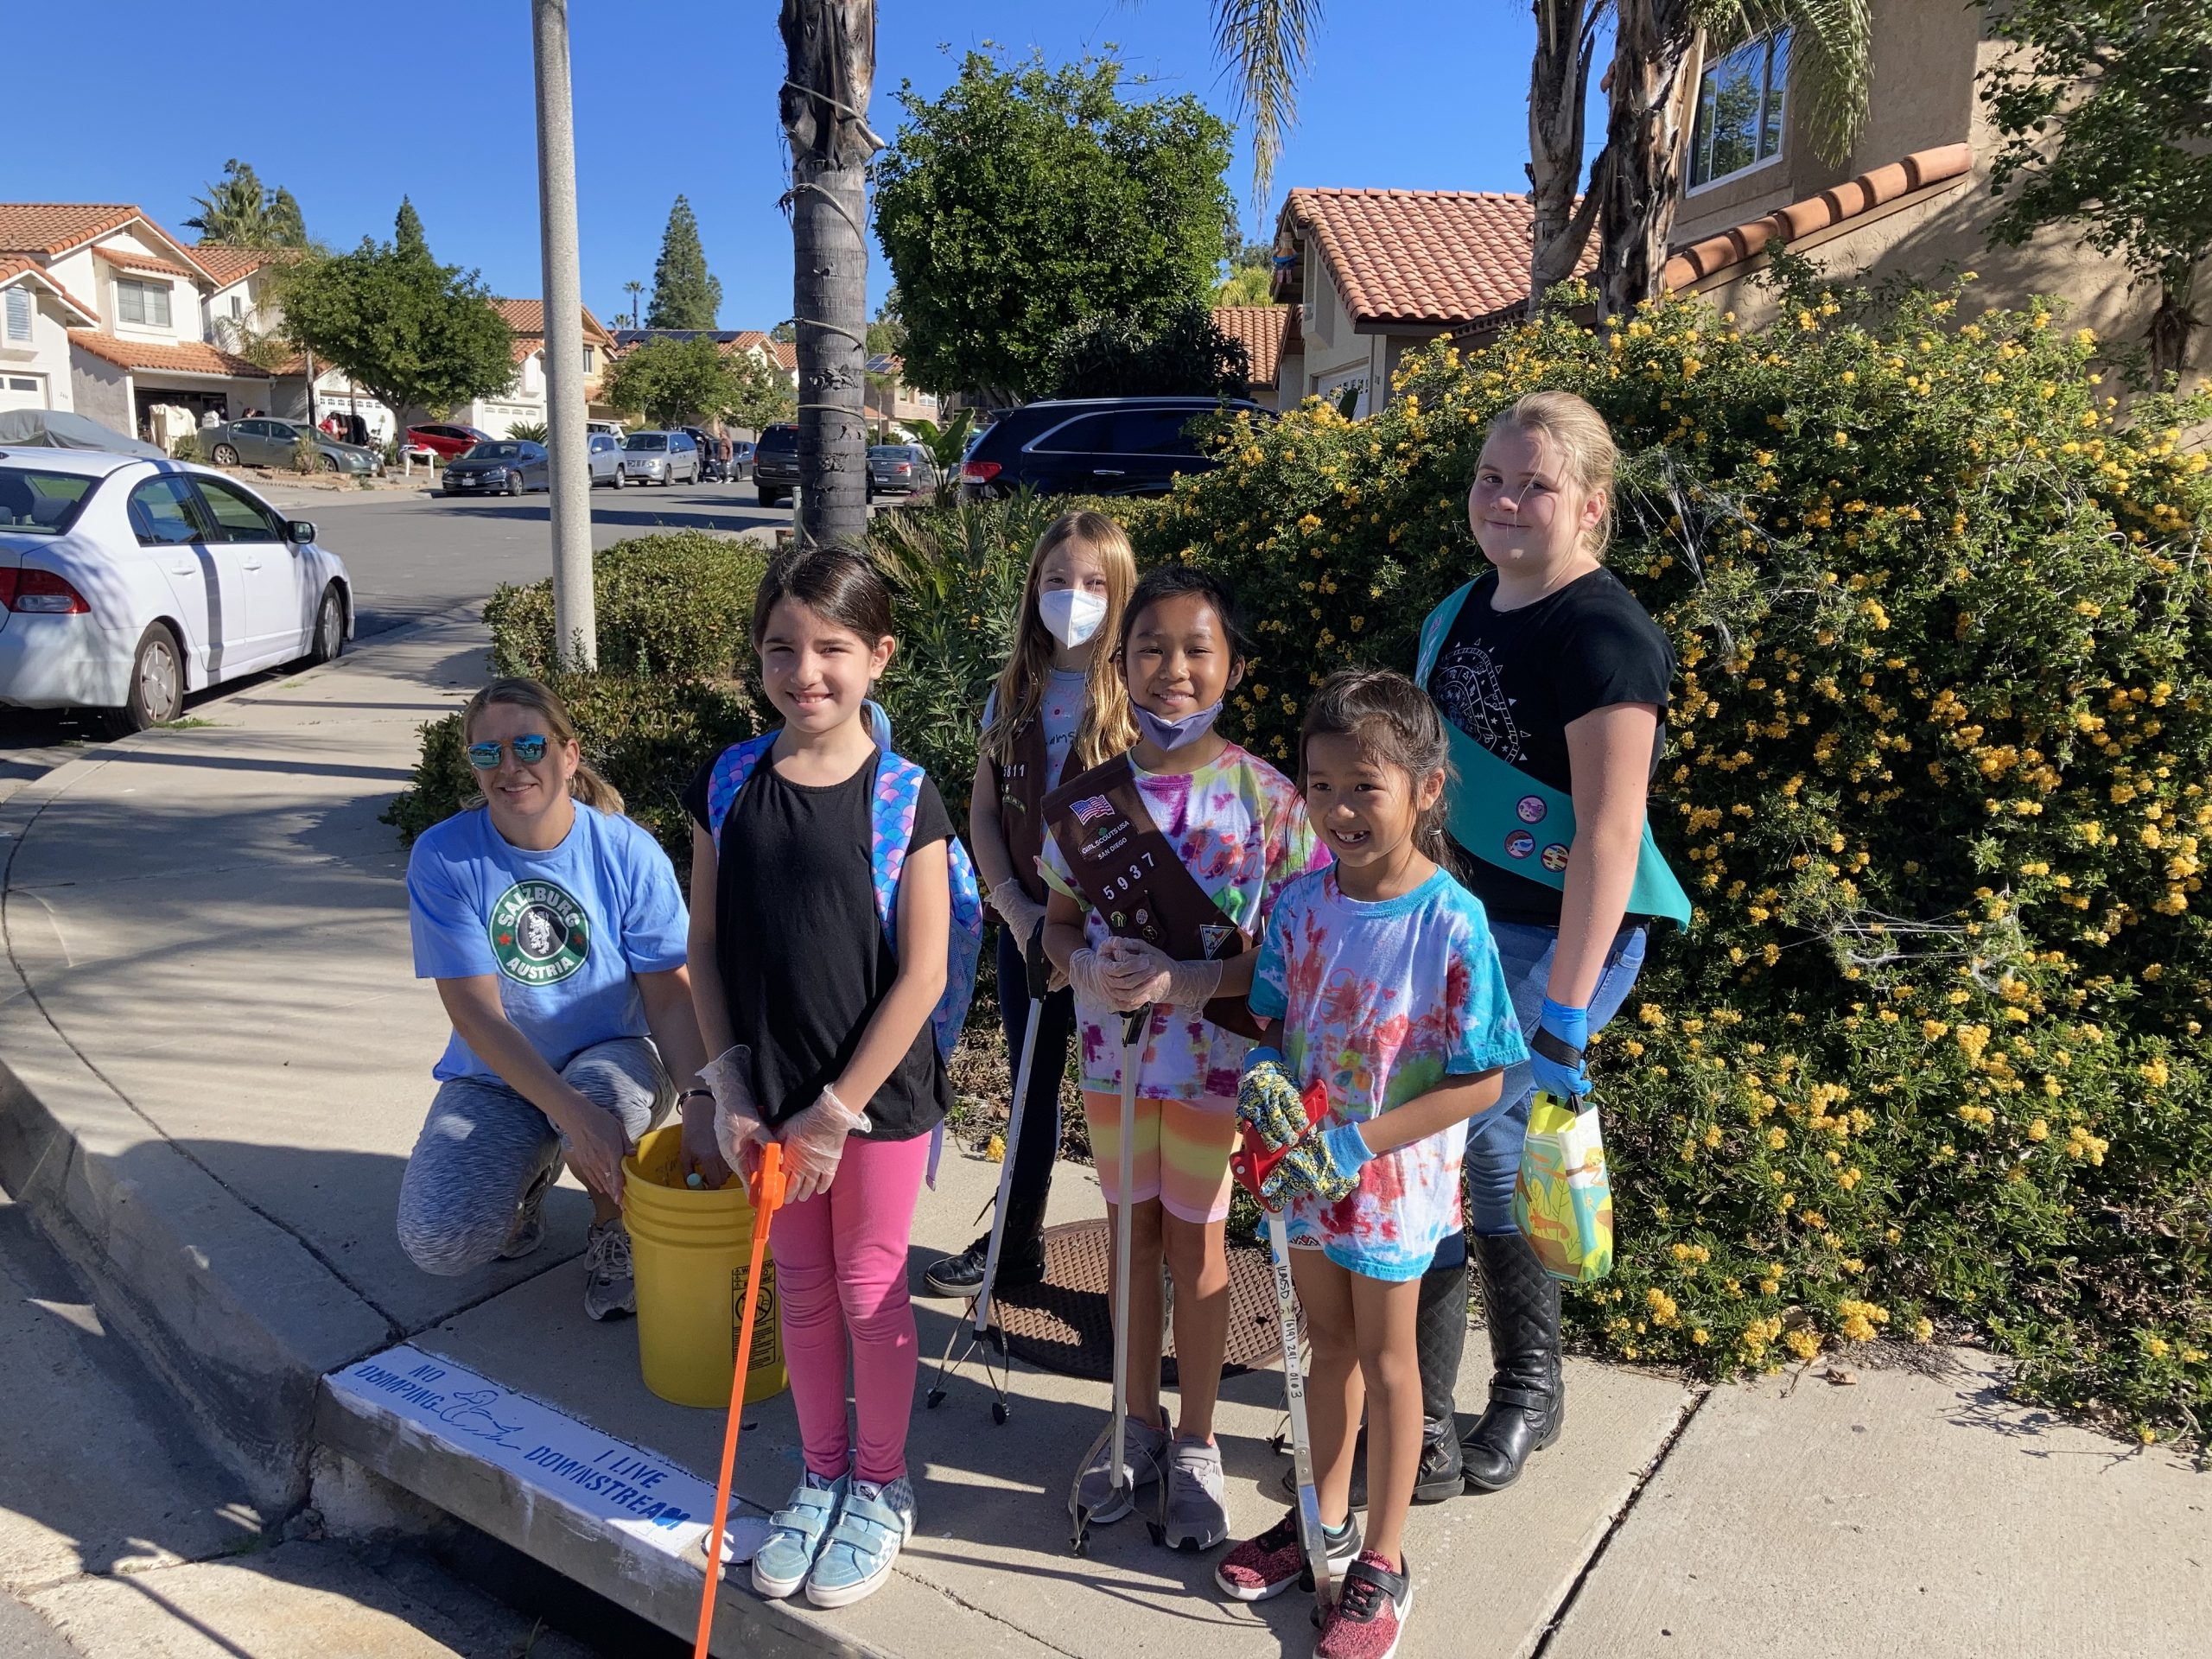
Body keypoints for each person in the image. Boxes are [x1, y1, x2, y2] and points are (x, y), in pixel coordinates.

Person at [1411, 390, 1689, 1497]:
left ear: (1590, 505)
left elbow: (1611, 834)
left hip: (1557, 937)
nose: (1505, 500)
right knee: (1456, 1151)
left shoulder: (1606, 637)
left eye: (1534, 484)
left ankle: (1499, 1396)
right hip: (1456, 927)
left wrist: (1566, 1011)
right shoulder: (1457, 612)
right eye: (1491, 478)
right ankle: (1465, 1393)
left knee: (1466, 1142)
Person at [1217, 669, 1527, 1656]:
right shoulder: (1301, 904)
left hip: (1390, 1187)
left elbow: (1482, 1080)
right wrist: (1264, 1085)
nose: (1340, 809)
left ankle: (1383, 1561)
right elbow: (1273, 1024)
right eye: (1321, 786)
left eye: (1365, 787)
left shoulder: (1451, 921)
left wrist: (1358, 1141)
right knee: (1327, 1344)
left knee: (1393, 1366)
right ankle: (1323, 1519)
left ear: (1426, 789)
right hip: (1305, 1178)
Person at [686, 546, 966, 1611]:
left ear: (878, 656)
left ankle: (882, 1484)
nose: (805, 671)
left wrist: (836, 1113)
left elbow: (924, 973)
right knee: (800, 1292)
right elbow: (704, 946)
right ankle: (821, 1472)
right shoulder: (728, 782)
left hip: (874, 1102)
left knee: (867, 1288)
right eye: (781, 648)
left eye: (832, 648)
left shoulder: (904, 797)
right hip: (767, 1095)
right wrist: (727, 1085)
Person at [1039, 565, 1326, 1552]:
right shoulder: (1088, 803)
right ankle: (1134, 1425)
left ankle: (1197, 1439)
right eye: (1150, 648)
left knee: (1199, 1246)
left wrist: (1196, 980)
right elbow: (1058, 924)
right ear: (1120, 666)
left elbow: (1298, 951)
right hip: (1114, 1061)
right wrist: (1082, 963)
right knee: (1130, 1240)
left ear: (1234, 667)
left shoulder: (1271, 801)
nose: (1173, 668)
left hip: (1216, 1067)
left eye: (1197, 648)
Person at [397, 677, 719, 1321]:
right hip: (496, 1075)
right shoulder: (444, 856)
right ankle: (530, 1179)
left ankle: (614, 1228)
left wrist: (702, 1102)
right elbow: (475, 1015)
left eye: (529, 746)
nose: (509, 767)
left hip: (611, 1057)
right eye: (488, 753)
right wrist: (568, 1114)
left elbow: (670, 996)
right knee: (439, 1240)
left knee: (600, 1094)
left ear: (569, 755)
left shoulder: (626, 851)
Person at [921, 510, 1139, 1299]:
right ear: (1033, 590)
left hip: (1116, 940)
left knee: (1124, 1100)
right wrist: (1015, 908)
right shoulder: (1012, 692)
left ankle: (1142, 1262)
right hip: (1027, 930)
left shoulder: (1137, 697)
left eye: (1094, 583)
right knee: (1030, 1088)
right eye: (1057, 580)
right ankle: (1015, 1242)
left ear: (1121, 594)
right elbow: (984, 812)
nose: (1073, 597)